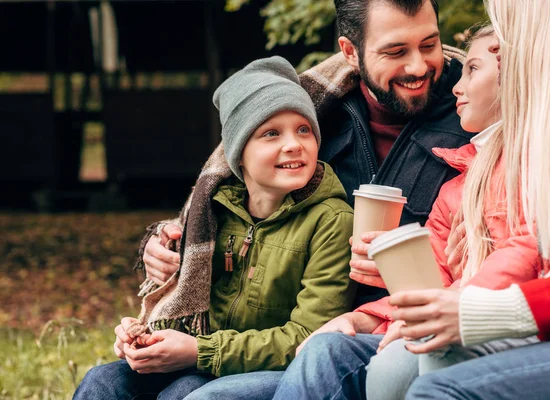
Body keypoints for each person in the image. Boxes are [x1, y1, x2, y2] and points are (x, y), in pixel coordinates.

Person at [140, 0, 472, 310]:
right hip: (299, 323)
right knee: (108, 376)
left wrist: (420, 263)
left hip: (406, 325)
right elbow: (237, 202)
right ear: (350, 52)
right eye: (395, 51)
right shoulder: (315, 113)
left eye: (429, 45)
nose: (418, 66)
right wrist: (167, 241)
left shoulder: (479, 111)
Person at [271, 24, 540, 400]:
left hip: (497, 324)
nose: (457, 86)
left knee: (390, 364)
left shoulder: (538, 163)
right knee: (321, 349)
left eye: (472, 69)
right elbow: (431, 277)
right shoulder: (457, 185)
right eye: (395, 51)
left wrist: (454, 300)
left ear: (518, 74)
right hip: (435, 321)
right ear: (351, 51)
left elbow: (528, 248)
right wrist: (361, 318)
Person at [73, 56, 356, 400]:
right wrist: (142, 338)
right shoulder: (212, 210)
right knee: (102, 382)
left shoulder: (331, 220)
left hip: (269, 368)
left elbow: (309, 335)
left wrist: (199, 351)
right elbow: (177, 300)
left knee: (182, 393)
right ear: (238, 154)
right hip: (201, 353)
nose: (294, 144)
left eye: (304, 130)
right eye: (271, 133)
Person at [378, 0, 550, 398]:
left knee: (426, 376)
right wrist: (370, 317)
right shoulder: (463, 176)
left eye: (505, 31)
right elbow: (434, 264)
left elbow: (533, 250)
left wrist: (469, 304)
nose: (456, 85)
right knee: (340, 353)